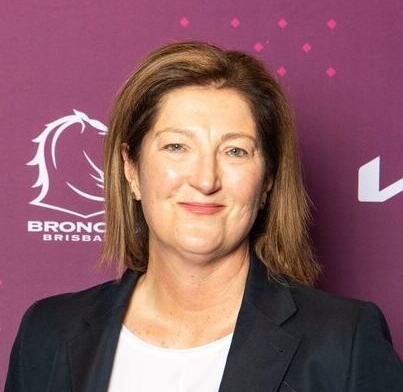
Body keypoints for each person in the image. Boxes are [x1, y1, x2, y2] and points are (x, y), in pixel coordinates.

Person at [5, 41, 403, 392]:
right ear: (131, 168)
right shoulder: (49, 332)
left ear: (267, 179)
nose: (205, 180)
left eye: (235, 151)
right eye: (177, 147)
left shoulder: (344, 342)